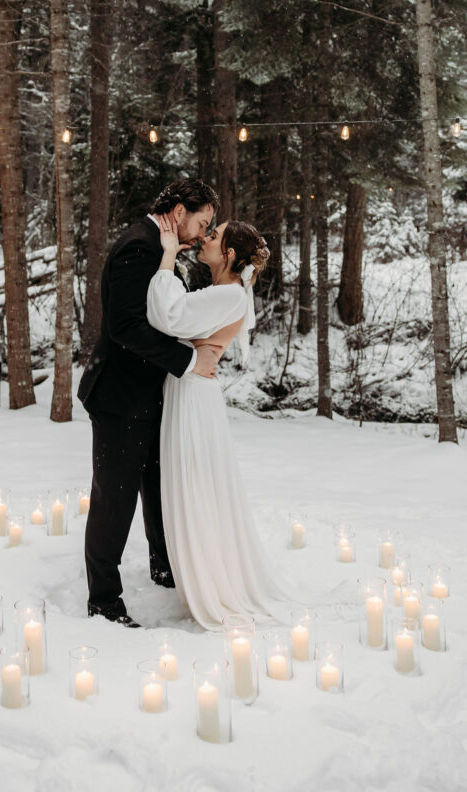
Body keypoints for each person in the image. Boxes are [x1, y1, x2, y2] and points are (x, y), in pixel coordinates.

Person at [78, 179, 220, 627]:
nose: (202, 234)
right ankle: (103, 599)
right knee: (113, 500)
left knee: (160, 488)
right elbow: (125, 327)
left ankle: (163, 566)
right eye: (201, 222)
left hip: (151, 395)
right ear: (179, 212)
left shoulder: (158, 247)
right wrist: (189, 360)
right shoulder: (137, 248)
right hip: (120, 397)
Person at [146, 215, 288, 629]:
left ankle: (208, 577)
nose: (204, 239)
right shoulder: (223, 291)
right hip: (189, 388)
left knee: (196, 483)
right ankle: (197, 568)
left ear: (228, 254)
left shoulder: (229, 295)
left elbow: (167, 317)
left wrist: (169, 255)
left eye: (214, 235)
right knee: (191, 481)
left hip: (193, 396)